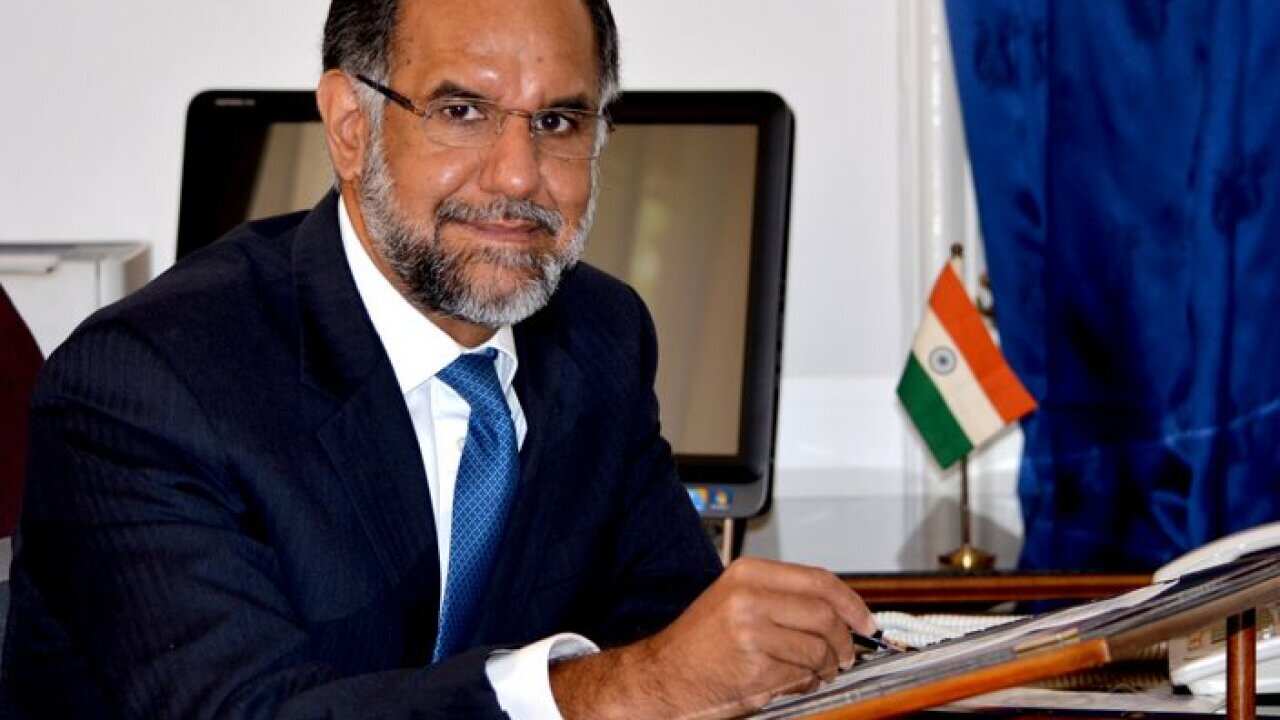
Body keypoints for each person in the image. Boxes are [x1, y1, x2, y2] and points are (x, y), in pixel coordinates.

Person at [2, 0, 876, 717]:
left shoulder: (600, 335)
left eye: (558, 121)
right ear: (351, 127)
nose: (519, 175)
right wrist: (616, 692)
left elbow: (670, 624)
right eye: (463, 112)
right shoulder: (144, 386)